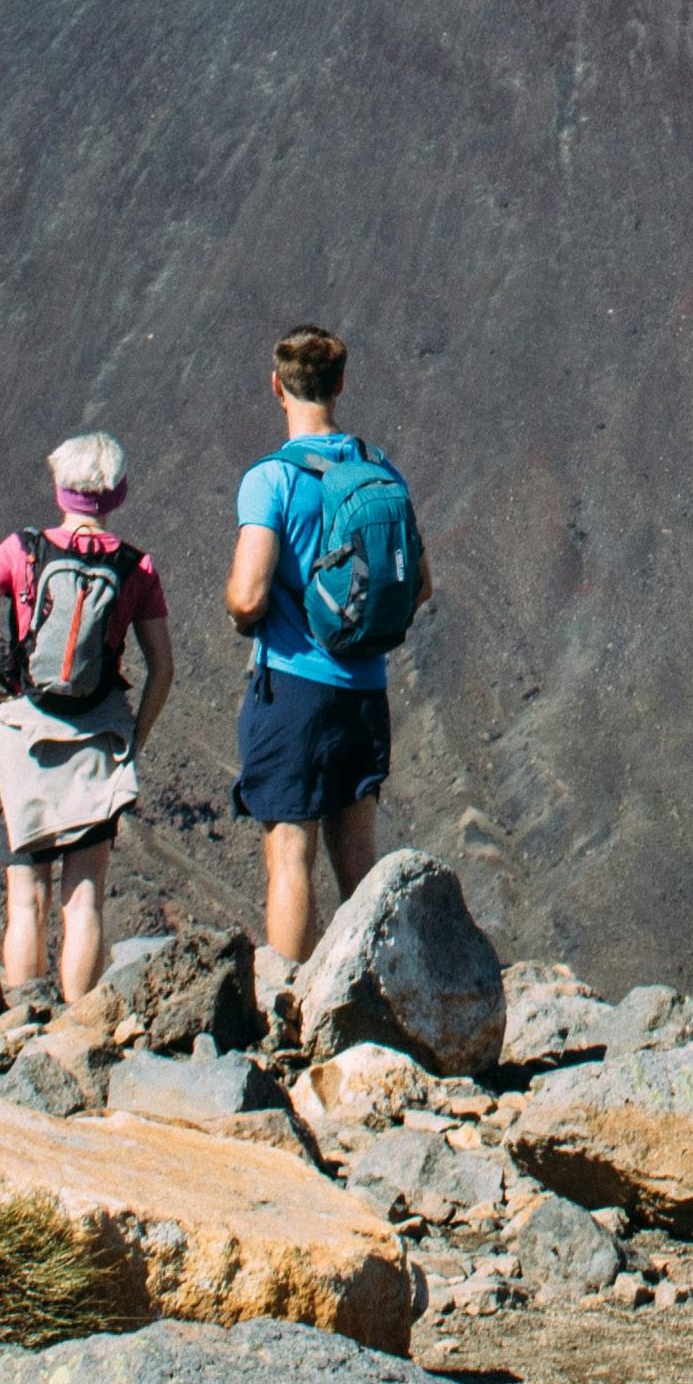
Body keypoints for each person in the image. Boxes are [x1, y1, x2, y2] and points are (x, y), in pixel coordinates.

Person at [0, 432, 173, 1009]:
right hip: (98, 738)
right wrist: (132, 740)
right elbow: (162, 668)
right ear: (119, 492)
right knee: (85, 899)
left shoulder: (22, 551)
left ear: (59, 486)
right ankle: (80, 1028)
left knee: (26, 900)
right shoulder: (135, 566)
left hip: (23, 733)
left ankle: (22, 1023)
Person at [224, 323, 421, 967]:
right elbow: (418, 586)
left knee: (290, 856)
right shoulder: (378, 469)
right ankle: (370, 998)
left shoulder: (270, 480)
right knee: (358, 859)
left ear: (276, 387)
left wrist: (239, 611)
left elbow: (249, 595)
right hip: (365, 692)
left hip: (293, 687)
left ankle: (290, 1010)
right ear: (340, 385)